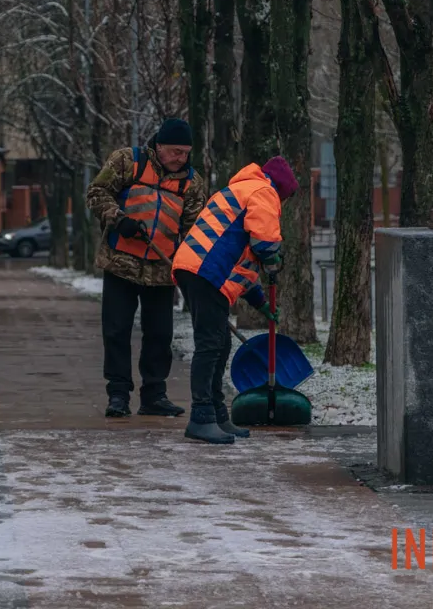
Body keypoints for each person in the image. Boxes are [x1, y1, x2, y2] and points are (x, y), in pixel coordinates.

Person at [171, 156, 299, 444]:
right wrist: (273, 258)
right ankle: (201, 418)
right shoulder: (263, 191)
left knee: (220, 342)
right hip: (206, 271)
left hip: (200, 269)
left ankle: (216, 414)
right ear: (282, 190)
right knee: (210, 344)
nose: (284, 207)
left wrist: (260, 303)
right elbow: (264, 244)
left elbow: (242, 261)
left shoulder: (242, 191)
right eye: (286, 200)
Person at [85, 118, 208, 418]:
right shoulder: (128, 161)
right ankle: (118, 394)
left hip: (162, 271)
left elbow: (193, 230)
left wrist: (190, 267)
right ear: (159, 146)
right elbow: (96, 193)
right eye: (175, 151)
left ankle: (154, 394)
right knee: (116, 330)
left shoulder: (192, 183)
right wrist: (117, 217)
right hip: (121, 264)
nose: (180, 158)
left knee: (160, 335)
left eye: (185, 152)